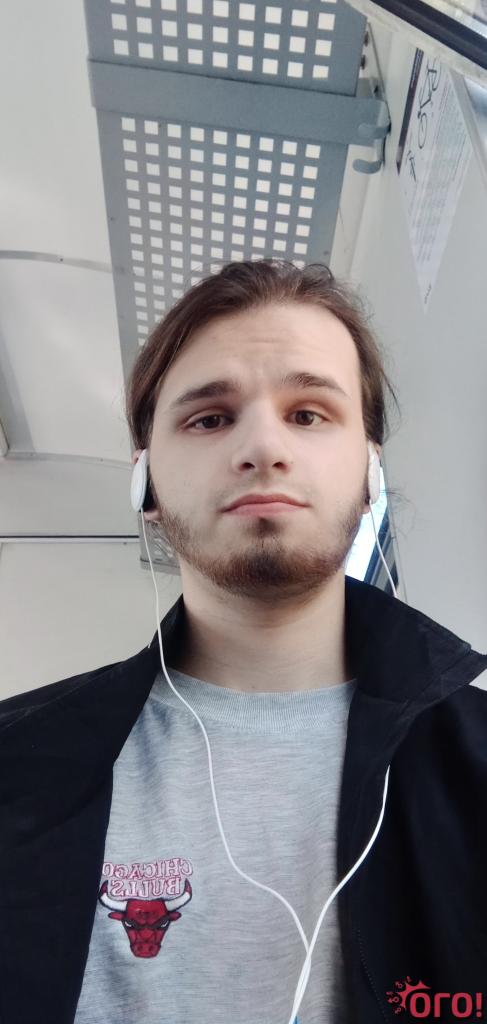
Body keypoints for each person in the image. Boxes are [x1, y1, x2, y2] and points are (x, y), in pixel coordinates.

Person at [1, 260, 486, 1024]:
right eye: (209, 418)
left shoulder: (477, 763)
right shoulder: (14, 762)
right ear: (145, 483)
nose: (262, 447)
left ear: (369, 471)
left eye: (308, 414)